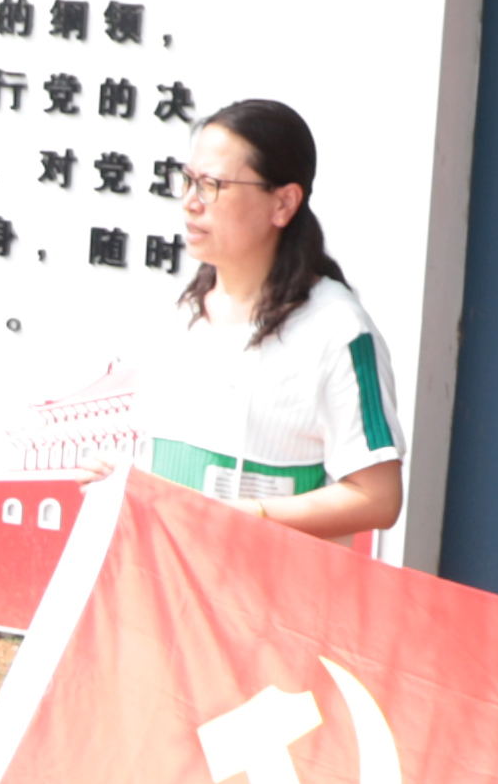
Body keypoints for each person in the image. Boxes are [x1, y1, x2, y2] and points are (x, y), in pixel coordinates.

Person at [137, 97, 404, 538]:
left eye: (212, 185)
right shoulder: (181, 311)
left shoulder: (337, 329)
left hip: (266, 579)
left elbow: (378, 497)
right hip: (164, 575)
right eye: (187, 180)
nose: (190, 202)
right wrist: (125, 484)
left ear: (284, 203)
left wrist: (252, 516)